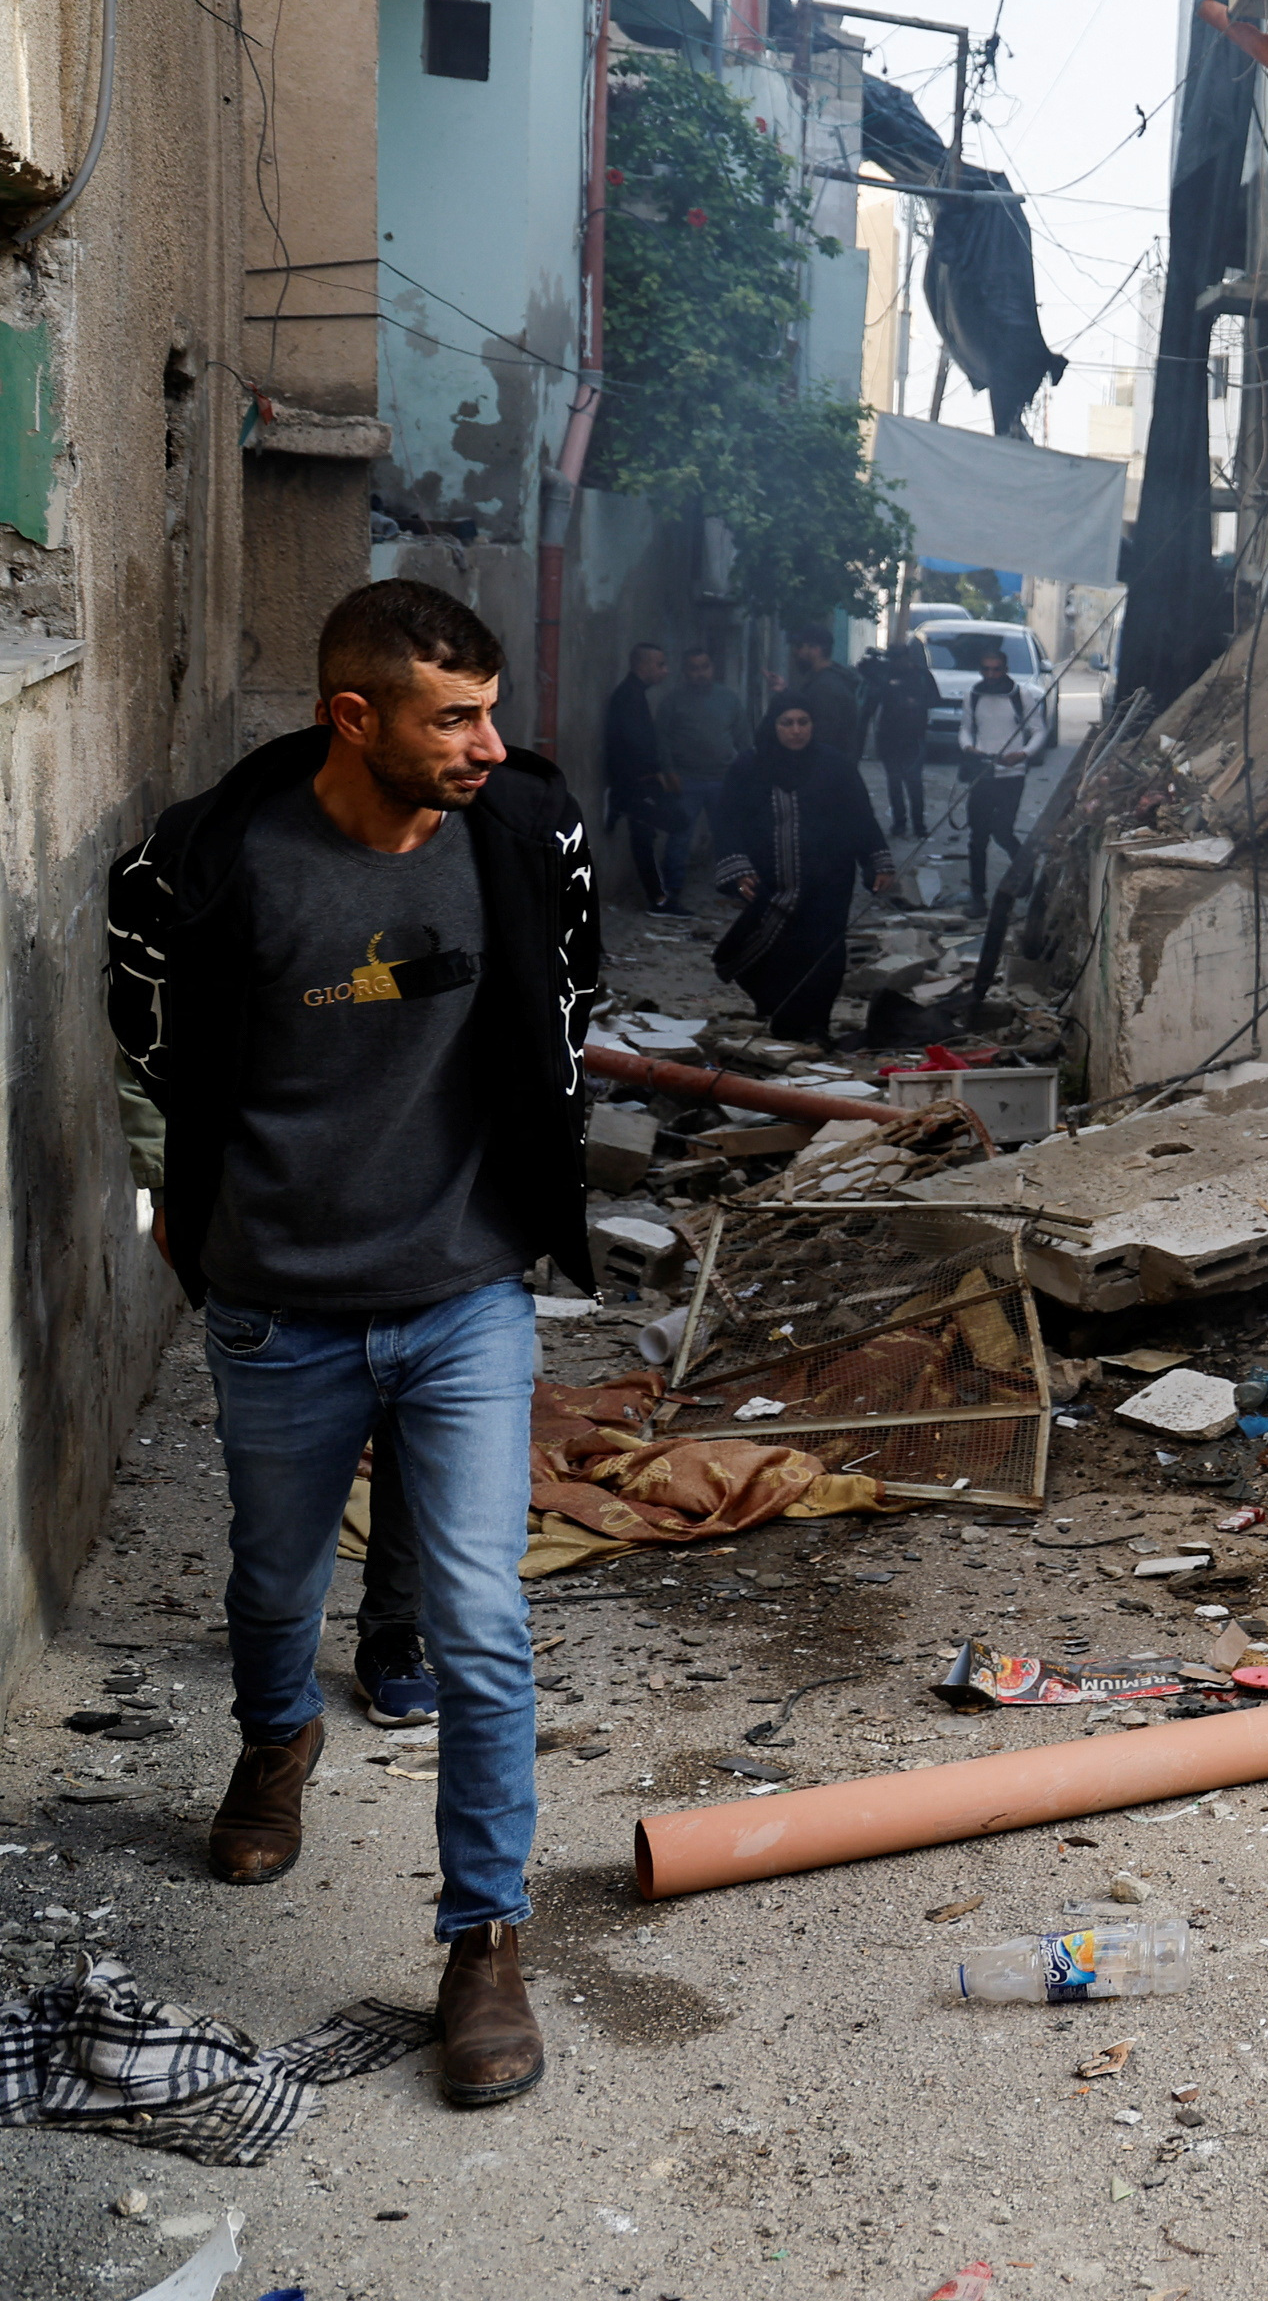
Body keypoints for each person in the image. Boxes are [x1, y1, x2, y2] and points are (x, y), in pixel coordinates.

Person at [102, 576, 595, 2109]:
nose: (490, 745)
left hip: (461, 1295)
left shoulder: (523, 833)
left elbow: (572, 998)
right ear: (352, 718)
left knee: (479, 1617)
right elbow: (146, 1056)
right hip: (280, 1300)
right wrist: (177, 1220)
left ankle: (483, 1943)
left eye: (494, 709)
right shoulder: (205, 868)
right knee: (272, 1577)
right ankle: (275, 1742)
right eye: (456, 718)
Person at [712, 693, 896, 1041]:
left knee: (823, 954)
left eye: (803, 722)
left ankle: (815, 1027)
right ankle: (780, 1014)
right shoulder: (749, 767)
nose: (796, 731)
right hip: (771, 881)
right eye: (787, 723)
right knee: (763, 950)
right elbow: (726, 821)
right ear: (773, 726)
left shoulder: (835, 765)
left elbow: (860, 817)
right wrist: (737, 868)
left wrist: (877, 862)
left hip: (829, 882)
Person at [651, 644, 746, 911]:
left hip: (723, 779)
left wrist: (745, 774)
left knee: (728, 835)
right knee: (680, 835)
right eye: (694, 669)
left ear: (712, 668)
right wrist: (669, 771)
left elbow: (743, 738)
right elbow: (662, 740)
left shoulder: (728, 699)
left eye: (704, 667)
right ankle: (672, 890)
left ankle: (735, 886)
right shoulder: (673, 701)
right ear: (685, 672)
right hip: (686, 779)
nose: (700, 673)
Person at [956, 638, 1046, 912]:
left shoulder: (1021, 695)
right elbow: (965, 728)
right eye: (986, 669)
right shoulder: (973, 695)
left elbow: (1039, 730)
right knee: (977, 837)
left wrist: (1023, 754)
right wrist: (967, 747)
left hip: (1012, 774)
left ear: (1005, 668)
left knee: (1003, 830)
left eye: (996, 670)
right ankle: (977, 897)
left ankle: (1024, 873)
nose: (991, 675)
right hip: (982, 771)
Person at [600, 640, 680, 910]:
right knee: (648, 835)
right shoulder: (629, 696)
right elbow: (632, 743)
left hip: (635, 782)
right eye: (660, 664)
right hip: (635, 783)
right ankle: (658, 899)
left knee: (650, 833)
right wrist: (651, 775)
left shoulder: (635, 694)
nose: (665, 671)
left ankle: (660, 896)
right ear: (643, 665)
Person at [864, 633, 941, 838]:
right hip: (889, 736)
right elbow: (870, 704)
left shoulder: (922, 676)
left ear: (908, 657)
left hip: (914, 737)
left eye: (900, 658)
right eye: (893, 658)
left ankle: (918, 825)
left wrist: (915, 703)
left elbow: (935, 699)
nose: (897, 662)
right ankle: (899, 823)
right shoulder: (885, 676)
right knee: (894, 781)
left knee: (914, 781)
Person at [786, 626, 864, 763]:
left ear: (816, 650)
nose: (796, 653)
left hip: (826, 770)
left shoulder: (825, 687)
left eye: (799, 647)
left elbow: (824, 736)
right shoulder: (826, 681)